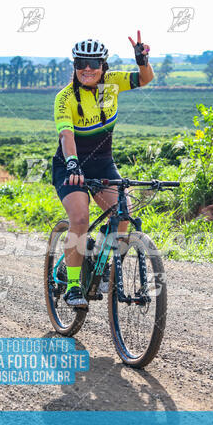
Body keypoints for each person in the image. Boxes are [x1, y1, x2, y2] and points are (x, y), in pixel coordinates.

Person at [52, 31, 154, 307]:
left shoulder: (112, 84)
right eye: (81, 63)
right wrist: (72, 162)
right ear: (74, 65)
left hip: (102, 163)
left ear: (103, 66)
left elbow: (145, 78)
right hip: (70, 164)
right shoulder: (65, 98)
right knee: (80, 219)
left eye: (94, 63)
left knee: (123, 216)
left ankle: (100, 259)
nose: (88, 69)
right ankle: (73, 285)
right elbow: (66, 136)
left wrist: (141, 59)